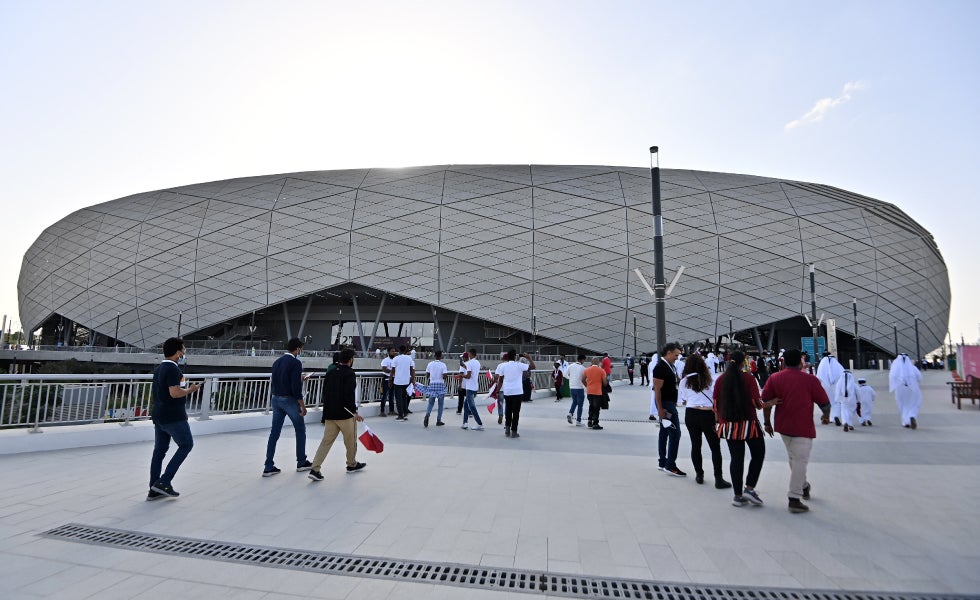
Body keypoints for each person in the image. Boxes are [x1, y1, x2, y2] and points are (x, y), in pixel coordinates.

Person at [760, 348, 831, 513]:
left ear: (783, 361)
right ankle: (794, 497)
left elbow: (765, 402)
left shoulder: (774, 378)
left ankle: (803, 485)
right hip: (802, 427)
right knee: (799, 460)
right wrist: (826, 416)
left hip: (783, 427)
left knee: (794, 459)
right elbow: (825, 404)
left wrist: (767, 422)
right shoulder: (810, 380)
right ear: (801, 362)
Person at [148, 337, 201, 500]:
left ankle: (153, 489)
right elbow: (175, 392)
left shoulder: (159, 368)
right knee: (186, 445)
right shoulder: (173, 370)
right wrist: (191, 390)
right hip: (174, 416)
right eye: (184, 350)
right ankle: (164, 482)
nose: (184, 353)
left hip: (159, 415)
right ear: (178, 353)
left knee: (159, 451)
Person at [713, 350, 767, 506]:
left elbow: (715, 404)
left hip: (729, 425)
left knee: (736, 459)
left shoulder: (721, 379)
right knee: (758, 454)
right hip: (749, 424)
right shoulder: (749, 379)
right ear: (744, 363)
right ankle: (749, 488)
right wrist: (768, 404)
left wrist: (719, 421)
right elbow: (757, 403)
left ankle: (737, 496)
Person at [308, 349, 366, 481]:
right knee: (350, 442)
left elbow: (326, 393)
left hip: (330, 414)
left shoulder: (331, 372)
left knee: (326, 442)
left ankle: (315, 468)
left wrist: (325, 414)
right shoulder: (350, 374)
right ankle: (351, 464)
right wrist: (355, 412)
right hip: (345, 415)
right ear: (350, 360)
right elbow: (349, 395)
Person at [679, 354, 731, 489]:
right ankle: (718, 479)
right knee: (715, 447)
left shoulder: (684, 381)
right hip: (707, 414)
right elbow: (716, 397)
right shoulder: (709, 379)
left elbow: (684, 398)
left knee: (695, 445)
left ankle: (699, 474)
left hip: (691, 414)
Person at [264, 337, 312, 477]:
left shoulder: (277, 362)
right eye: (301, 349)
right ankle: (301, 461)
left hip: (275, 399)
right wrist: (302, 406)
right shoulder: (296, 363)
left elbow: (281, 379)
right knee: (300, 429)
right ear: (297, 349)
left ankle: (268, 466)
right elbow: (295, 388)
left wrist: (299, 377)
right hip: (288, 400)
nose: (301, 351)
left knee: (274, 433)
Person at [653, 343, 684, 475]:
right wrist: (660, 408)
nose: (677, 358)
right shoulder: (660, 367)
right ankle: (670, 465)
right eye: (676, 355)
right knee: (675, 433)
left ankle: (662, 462)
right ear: (669, 352)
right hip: (666, 405)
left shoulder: (669, 366)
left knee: (664, 432)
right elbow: (657, 390)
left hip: (669, 403)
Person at [497, 350, 535, 437]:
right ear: (515, 356)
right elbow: (533, 366)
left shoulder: (503, 366)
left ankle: (507, 428)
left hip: (507, 391)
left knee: (508, 410)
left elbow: (501, 380)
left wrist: (497, 391)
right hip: (517, 391)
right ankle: (514, 431)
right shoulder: (519, 365)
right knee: (516, 412)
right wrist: (529, 358)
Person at [889, 353, 922, 429]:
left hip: (900, 390)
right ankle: (912, 416)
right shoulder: (913, 368)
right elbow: (920, 377)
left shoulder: (895, 369)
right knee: (914, 403)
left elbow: (892, 379)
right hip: (913, 389)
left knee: (903, 405)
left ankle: (906, 421)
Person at [816, 353, 844, 426]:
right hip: (835, 387)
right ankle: (835, 416)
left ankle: (828, 418)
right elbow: (844, 375)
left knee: (828, 403)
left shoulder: (822, 365)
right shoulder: (837, 365)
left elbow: (818, 377)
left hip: (825, 387)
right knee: (836, 402)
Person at [460, 348, 485, 430]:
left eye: (469, 353)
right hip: (475, 387)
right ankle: (465, 423)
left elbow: (468, 376)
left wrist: (461, 376)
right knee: (466, 405)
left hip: (470, 388)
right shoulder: (477, 362)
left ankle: (479, 423)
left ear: (471, 354)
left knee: (471, 406)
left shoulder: (470, 363)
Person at [390, 345, 415, 421]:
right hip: (406, 381)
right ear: (405, 350)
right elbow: (412, 369)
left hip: (398, 381)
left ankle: (400, 415)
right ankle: (405, 412)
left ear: (399, 350)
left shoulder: (396, 359)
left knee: (398, 399)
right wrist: (412, 379)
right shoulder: (409, 358)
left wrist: (390, 379)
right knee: (404, 398)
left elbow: (393, 370)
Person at [423, 350, 448, 427]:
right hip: (440, 385)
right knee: (440, 404)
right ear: (441, 356)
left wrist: (431, 379)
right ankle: (438, 420)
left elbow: (427, 375)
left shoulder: (430, 364)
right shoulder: (443, 365)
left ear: (434, 356)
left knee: (431, 403)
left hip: (432, 384)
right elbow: (444, 376)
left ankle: (427, 415)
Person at [583, 357, 607, 430]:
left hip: (589, 391)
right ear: (598, 362)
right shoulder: (602, 371)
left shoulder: (587, 370)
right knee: (596, 408)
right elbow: (605, 383)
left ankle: (589, 421)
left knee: (591, 405)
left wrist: (587, 386)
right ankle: (595, 423)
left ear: (591, 362)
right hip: (597, 391)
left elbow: (583, 379)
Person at [566, 354, 587, 426]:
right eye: (584, 360)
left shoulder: (570, 366)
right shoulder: (583, 368)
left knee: (574, 401)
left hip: (572, 387)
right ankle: (578, 421)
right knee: (580, 405)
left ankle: (570, 413)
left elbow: (565, 374)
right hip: (580, 388)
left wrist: (571, 379)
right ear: (582, 360)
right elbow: (585, 379)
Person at [380, 347, 396, 417]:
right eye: (392, 351)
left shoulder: (395, 360)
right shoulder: (385, 360)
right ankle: (382, 411)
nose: (394, 353)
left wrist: (392, 372)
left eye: (394, 351)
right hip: (386, 379)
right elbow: (384, 369)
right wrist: (392, 371)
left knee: (392, 396)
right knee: (385, 395)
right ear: (388, 352)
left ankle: (391, 410)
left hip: (394, 379)